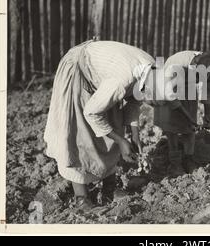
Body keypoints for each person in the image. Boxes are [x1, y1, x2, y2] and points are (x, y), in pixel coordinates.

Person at [44, 39, 155, 209]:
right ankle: (81, 197)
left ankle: (109, 189)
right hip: (79, 71)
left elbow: (134, 101)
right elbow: (91, 112)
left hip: (103, 78)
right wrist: (121, 140)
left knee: (114, 124)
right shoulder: (123, 80)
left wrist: (134, 136)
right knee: (80, 135)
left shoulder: (153, 71)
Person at [153, 51, 210, 177]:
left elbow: (208, 88)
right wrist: (186, 116)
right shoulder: (176, 64)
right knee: (171, 125)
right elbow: (169, 95)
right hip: (169, 90)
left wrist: (207, 113)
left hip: (188, 90)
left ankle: (189, 157)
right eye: (198, 78)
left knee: (190, 127)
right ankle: (175, 162)